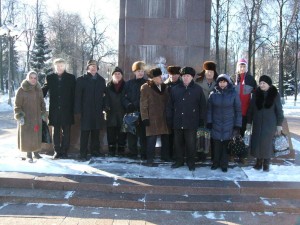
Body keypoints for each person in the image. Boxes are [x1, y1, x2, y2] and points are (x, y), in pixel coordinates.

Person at [167, 66, 206, 171]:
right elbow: (170, 106)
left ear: (192, 77)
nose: (185, 78)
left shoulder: (198, 89)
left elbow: (202, 106)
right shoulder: (175, 89)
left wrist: (202, 119)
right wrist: (170, 119)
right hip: (177, 121)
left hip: (191, 122)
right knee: (178, 143)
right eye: (183, 76)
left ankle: (191, 162)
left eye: (188, 76)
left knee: (191, 144)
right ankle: (179, 161)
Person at [246, 75, 284, 172]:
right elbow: (250, 110)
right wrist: (249, 123)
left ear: (269, 84)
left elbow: (279, 111)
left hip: (270, 124)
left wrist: (279, 125)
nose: (262, 85)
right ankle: (258, 162)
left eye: (264, 83)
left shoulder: (275, 94)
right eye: (260, 83)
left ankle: (266, 163)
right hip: (257, 124)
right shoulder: (256, 94)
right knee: (257, 142)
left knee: (267, 144)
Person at [206, 74, 242, 172]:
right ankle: (215, 163)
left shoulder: (233, 94)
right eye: (220, 82)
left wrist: (237, 125)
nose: (222, 84)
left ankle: (224, 164)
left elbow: (238, 110)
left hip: (229, 124)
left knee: (226, 145)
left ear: (228, 82)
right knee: (216, 145)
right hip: (216, 123)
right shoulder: (213, 94)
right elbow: (209, 110)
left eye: (224, 82)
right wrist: (209, 122)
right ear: (218, 83)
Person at [42, 58, 76, 159]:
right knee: (55, 131)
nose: (59, 67)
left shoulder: (71, 78)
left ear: (65, 66)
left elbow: (75, 93)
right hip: (55, 109)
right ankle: (57, 151)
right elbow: (43, 91)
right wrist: (33, 91)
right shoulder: (50, 77)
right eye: (58, 65)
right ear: (55, 66)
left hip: (67, 109)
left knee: (66, 131)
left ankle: (65, 151)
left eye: (61, 65)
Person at [74, 59, 106, 161]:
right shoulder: (81, 80)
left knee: (96, 132)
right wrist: (78, 111)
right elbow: (77, 96)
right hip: (85, 111)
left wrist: (104, 107)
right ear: (88, 68)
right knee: (85, 132)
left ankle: (95, 151)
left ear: (97, 68)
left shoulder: (101, 80)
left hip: (97, 111)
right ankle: (83, 153)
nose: (93, 68)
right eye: (91, 66)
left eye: (95, 66)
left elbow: (104, 95)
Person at [14, 71, 47, 163]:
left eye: (35, 78)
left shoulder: (38, 89)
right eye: (31, 77)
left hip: (37, 117)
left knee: (36, 134)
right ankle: (29, 155)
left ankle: (36, 153)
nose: (33, 80)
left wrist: (44, 113)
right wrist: (20, 116)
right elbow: (17, 105)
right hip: (26, 118)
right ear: (27, 78)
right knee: (28, 136)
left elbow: (42, 103)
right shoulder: (21, 90)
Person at [140, 68, 170, 166]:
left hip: (163, 117)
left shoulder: (164, 87)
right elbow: (143, 104)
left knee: (165, 138)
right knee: (151, 140)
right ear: (153, 78)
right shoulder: (146, 87)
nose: (161, 78)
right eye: (158, 76)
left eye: (161, 76)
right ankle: (150, 159)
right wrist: (145, 118)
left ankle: (165, 157)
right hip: (152, 118)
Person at [233, 58, 257, 164]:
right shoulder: (233, 78)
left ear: (246, 68)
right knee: (233, 134)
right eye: (240, 66)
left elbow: (257, 94)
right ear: (237, 67)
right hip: (233, 113)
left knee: (244, 135)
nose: (242, 68)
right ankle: (232, 154)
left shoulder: (251, 79)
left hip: (246, 113)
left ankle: (242, 156)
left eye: (244, 66)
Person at [122, 61, 147, 159]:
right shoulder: (129, 84)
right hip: (131, 112)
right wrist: (128, 104)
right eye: (138, 71)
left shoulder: (147, 83)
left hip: (143, 113)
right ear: (134, 72)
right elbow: (123, 97)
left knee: (143, 135)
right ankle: (133, 153)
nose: (140, 73)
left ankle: (144, 154)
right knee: (131, 135)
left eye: (142, 71)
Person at [195, 61, 218, 161]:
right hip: (200, 112)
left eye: (211, 72)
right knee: (200, 134)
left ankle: (212, 155)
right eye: (208, 71)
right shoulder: (198, 82)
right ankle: (200, 155)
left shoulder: (218, 83)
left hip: (214, 113)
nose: (209, 74)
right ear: (204, 72)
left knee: (212, 134)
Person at [105, 66, 127, 156]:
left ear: (122, 75)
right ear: (112, 75)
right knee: (111, 132)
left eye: (119, 74)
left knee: (122, 132)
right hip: (111, 112)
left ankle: (121, 150)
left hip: (123, 112)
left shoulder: (126, 85)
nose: (117, 75)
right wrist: (106, 107)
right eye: (115, 74)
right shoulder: (108, 86)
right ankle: (111, 150)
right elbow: (105, 98)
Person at [164, 65, 181, 160]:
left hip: (179, 114)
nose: (173, 76)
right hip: (167, 113)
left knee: (178, 137)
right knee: (167, 136)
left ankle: (176, 155)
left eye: (175, 74)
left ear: (179, 75)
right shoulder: (164, 85)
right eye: (171, 74)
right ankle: (167, 155)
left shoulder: (182, 85)